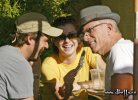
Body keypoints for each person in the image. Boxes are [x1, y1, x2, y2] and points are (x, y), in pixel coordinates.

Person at [40, 16, 106, 100]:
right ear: (54, 41)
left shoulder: (86, 53)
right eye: (61, 36)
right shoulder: (49, 64)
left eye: (71, 35)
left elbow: (110, 77)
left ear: (78, 38)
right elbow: (64, 97)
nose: (67, 40)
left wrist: (79, 85)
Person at [0, 12, 62, 100]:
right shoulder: (19, 64)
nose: (47, 46)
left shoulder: (4, 52)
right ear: (30, 39)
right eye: (45, 40)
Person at [80, 5, 133, 100]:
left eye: (89, 30)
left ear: (109, 28)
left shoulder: (120, 49)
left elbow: (119, 95)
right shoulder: (120, 50)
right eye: (83, 34)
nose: (85, 38)